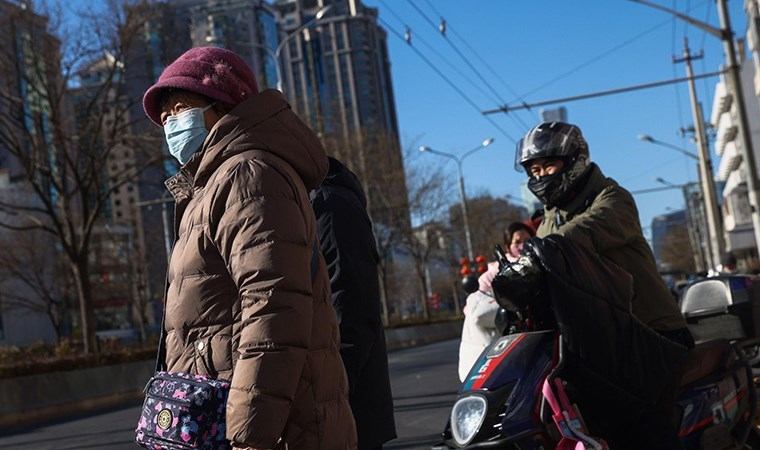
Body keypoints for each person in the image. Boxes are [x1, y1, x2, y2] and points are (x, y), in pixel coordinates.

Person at [142, 47, 357, 450]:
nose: (171, 122)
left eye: (181, 107)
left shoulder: (247, 175)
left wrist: (246, 436)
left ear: (222, 106)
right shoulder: (210, 184)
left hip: (274, 430)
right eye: (165, 115)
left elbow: (273, 310)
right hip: (222, 417)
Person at [508, 121, 693, 449]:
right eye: (534, 170)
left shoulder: (613, 198)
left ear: (575, 159)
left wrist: (538, 252)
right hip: (601, 344)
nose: (540, 176)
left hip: (653, 334)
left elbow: (584, 232)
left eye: (548, 165)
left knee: (647, 432)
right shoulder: (551, 215)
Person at [309, 157, 396, 450]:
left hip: (345, 409)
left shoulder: (328, 203)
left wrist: (331, 388)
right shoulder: (317, 200)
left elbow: (351, 305)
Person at [457, 221, 535, 381]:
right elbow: (476, 308)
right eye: (517, 241)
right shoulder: (493, 274)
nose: (522, 245)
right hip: (496, 348)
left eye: (527, 240)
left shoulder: (538, 266)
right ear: (507, 246)